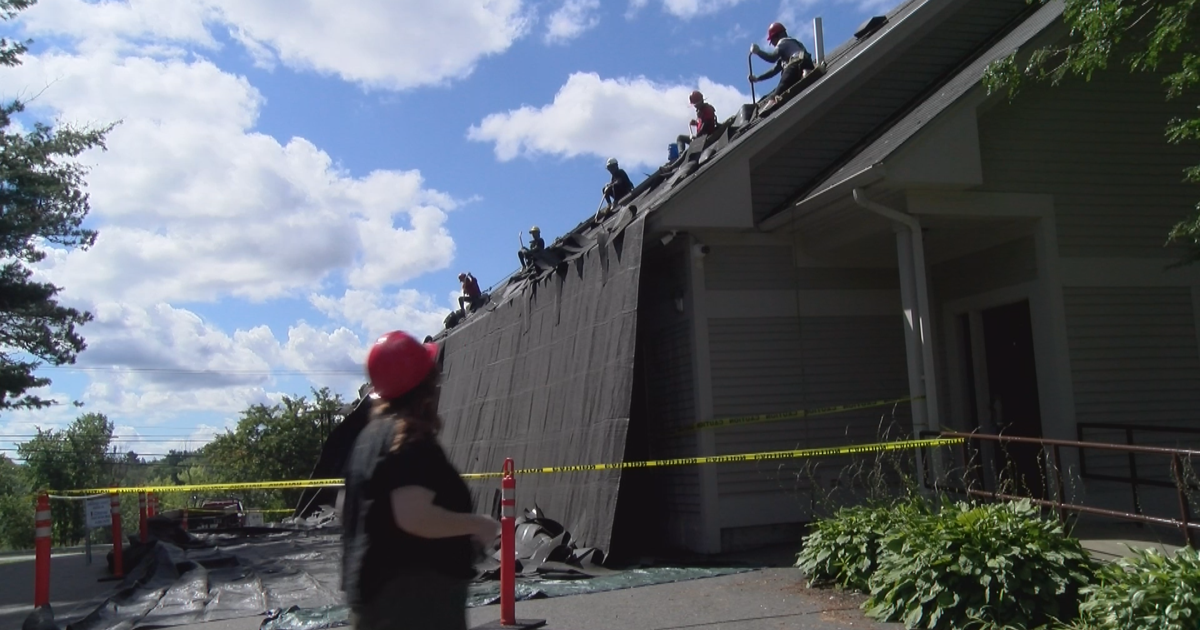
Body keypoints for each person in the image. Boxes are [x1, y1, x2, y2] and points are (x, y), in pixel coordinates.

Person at [341, 330, 500, 630]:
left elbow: (349, 510)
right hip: (414, 607)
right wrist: (478, 525)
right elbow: (414, 515)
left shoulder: (367, 439)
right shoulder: (409, 439)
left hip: (375, 601)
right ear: (424, 387)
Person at [749, 22, 815, 104]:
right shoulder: (794, 45)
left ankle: (771, 104)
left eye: (772, 41)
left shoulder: (783, 42)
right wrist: (758, 78)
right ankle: (805, 73)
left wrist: (758, 51)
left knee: (781, 88)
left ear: (776, 36)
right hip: (807, 63)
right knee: (791, 78)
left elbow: (772, 58)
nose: (773, 45)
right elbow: (774, 70)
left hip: (796, 63)